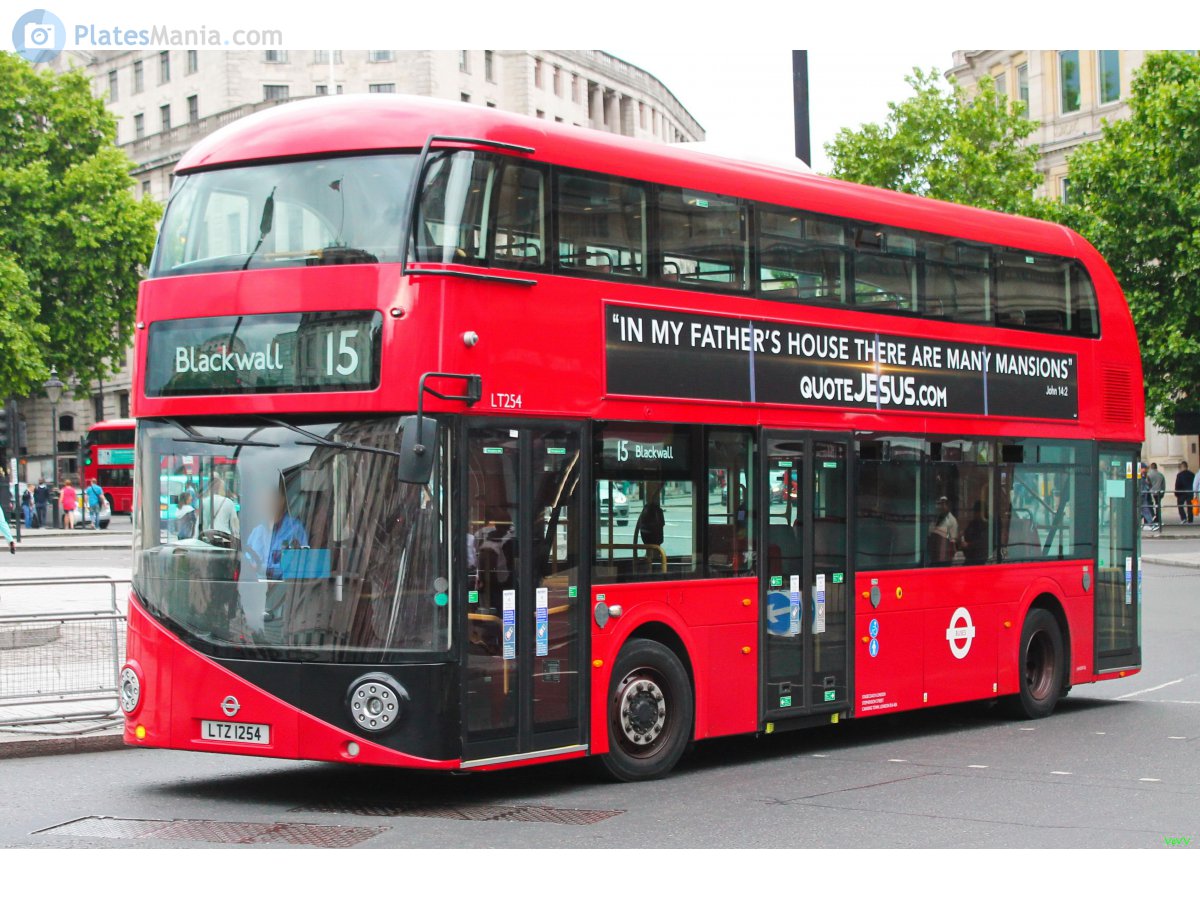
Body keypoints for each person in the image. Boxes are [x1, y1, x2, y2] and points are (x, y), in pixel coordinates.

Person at [245, 480, 308, 580]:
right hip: (257, 590)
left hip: (282, 592)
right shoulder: (257, 531)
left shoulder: (294, 530)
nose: (266, 503)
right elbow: (247, 563)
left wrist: (263, 569)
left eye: (270, 498)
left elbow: (297, 567)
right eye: (263, 499)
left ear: (282, 500)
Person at [201, 474, 240, 540]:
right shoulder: (229, 502)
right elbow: (235, 527)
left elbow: (202, 525)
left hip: (209, 539)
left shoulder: (204, 502)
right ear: (221, 486)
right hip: (225, 539)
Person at [927, 495, 959, 565]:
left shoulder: (952, 520)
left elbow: (953, 540)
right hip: (934, 555)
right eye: (940, 504)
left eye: (944, 504)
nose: (941, 506)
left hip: (945, 557)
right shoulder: (936, 518)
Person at [1148, 462, 1167, 529]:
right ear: (1156, 467)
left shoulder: (1149, 475)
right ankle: (1158, 518)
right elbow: (1163, 485)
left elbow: (1147, 484)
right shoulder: (1160, 475)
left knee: (1149, 506)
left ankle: (1152, 517)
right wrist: (1163, 492)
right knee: (1158, 506)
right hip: (1158, 492)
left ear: (1151, 467)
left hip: (1150, 492)